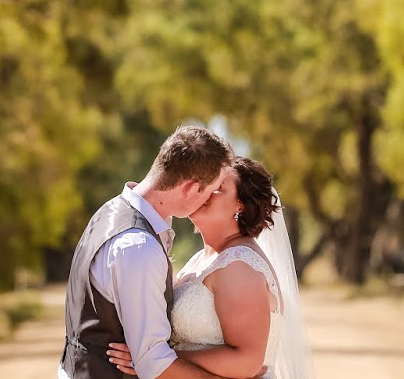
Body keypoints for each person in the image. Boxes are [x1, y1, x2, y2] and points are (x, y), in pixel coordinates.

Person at [106, 157, 315, 379]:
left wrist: (154, 359)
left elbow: (246, 362)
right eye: (204, 183)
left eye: (218, 188)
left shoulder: (240, 265)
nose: (204, 191)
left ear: (241, 205)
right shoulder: (202, 259)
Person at [59, 125, 236, 379]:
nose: (209, 200)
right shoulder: (139, 247)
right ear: (190, 188)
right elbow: (154, 363)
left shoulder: (111, 211)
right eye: (211, 191)